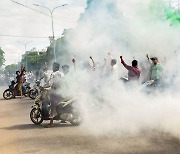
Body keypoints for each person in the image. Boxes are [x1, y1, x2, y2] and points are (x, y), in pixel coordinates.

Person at [45, 62, 64, 128]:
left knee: (52, 106)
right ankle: (63, 119)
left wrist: (44, 87)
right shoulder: (61, 74)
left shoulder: (54, 74)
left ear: (56, 67)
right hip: (61, 92)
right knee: (56, 105)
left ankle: (51, 123)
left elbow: (51, 83)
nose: (52, 68)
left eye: (53, 67)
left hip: (55, 92)